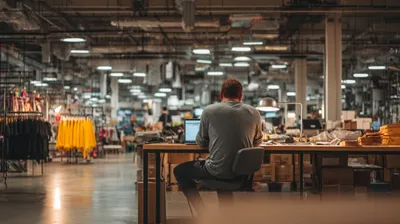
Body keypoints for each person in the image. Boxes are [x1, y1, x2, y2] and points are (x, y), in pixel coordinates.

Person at [174, 78, 263, 216]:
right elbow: (257, 142)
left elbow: (202, 142)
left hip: (218, 170)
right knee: (223, 165)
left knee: (180, 171)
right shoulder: (254, 112)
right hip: (243, 174)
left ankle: (203, 214)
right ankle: (226, 215)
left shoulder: (209, 111)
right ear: (241, 96)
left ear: (221, 95)